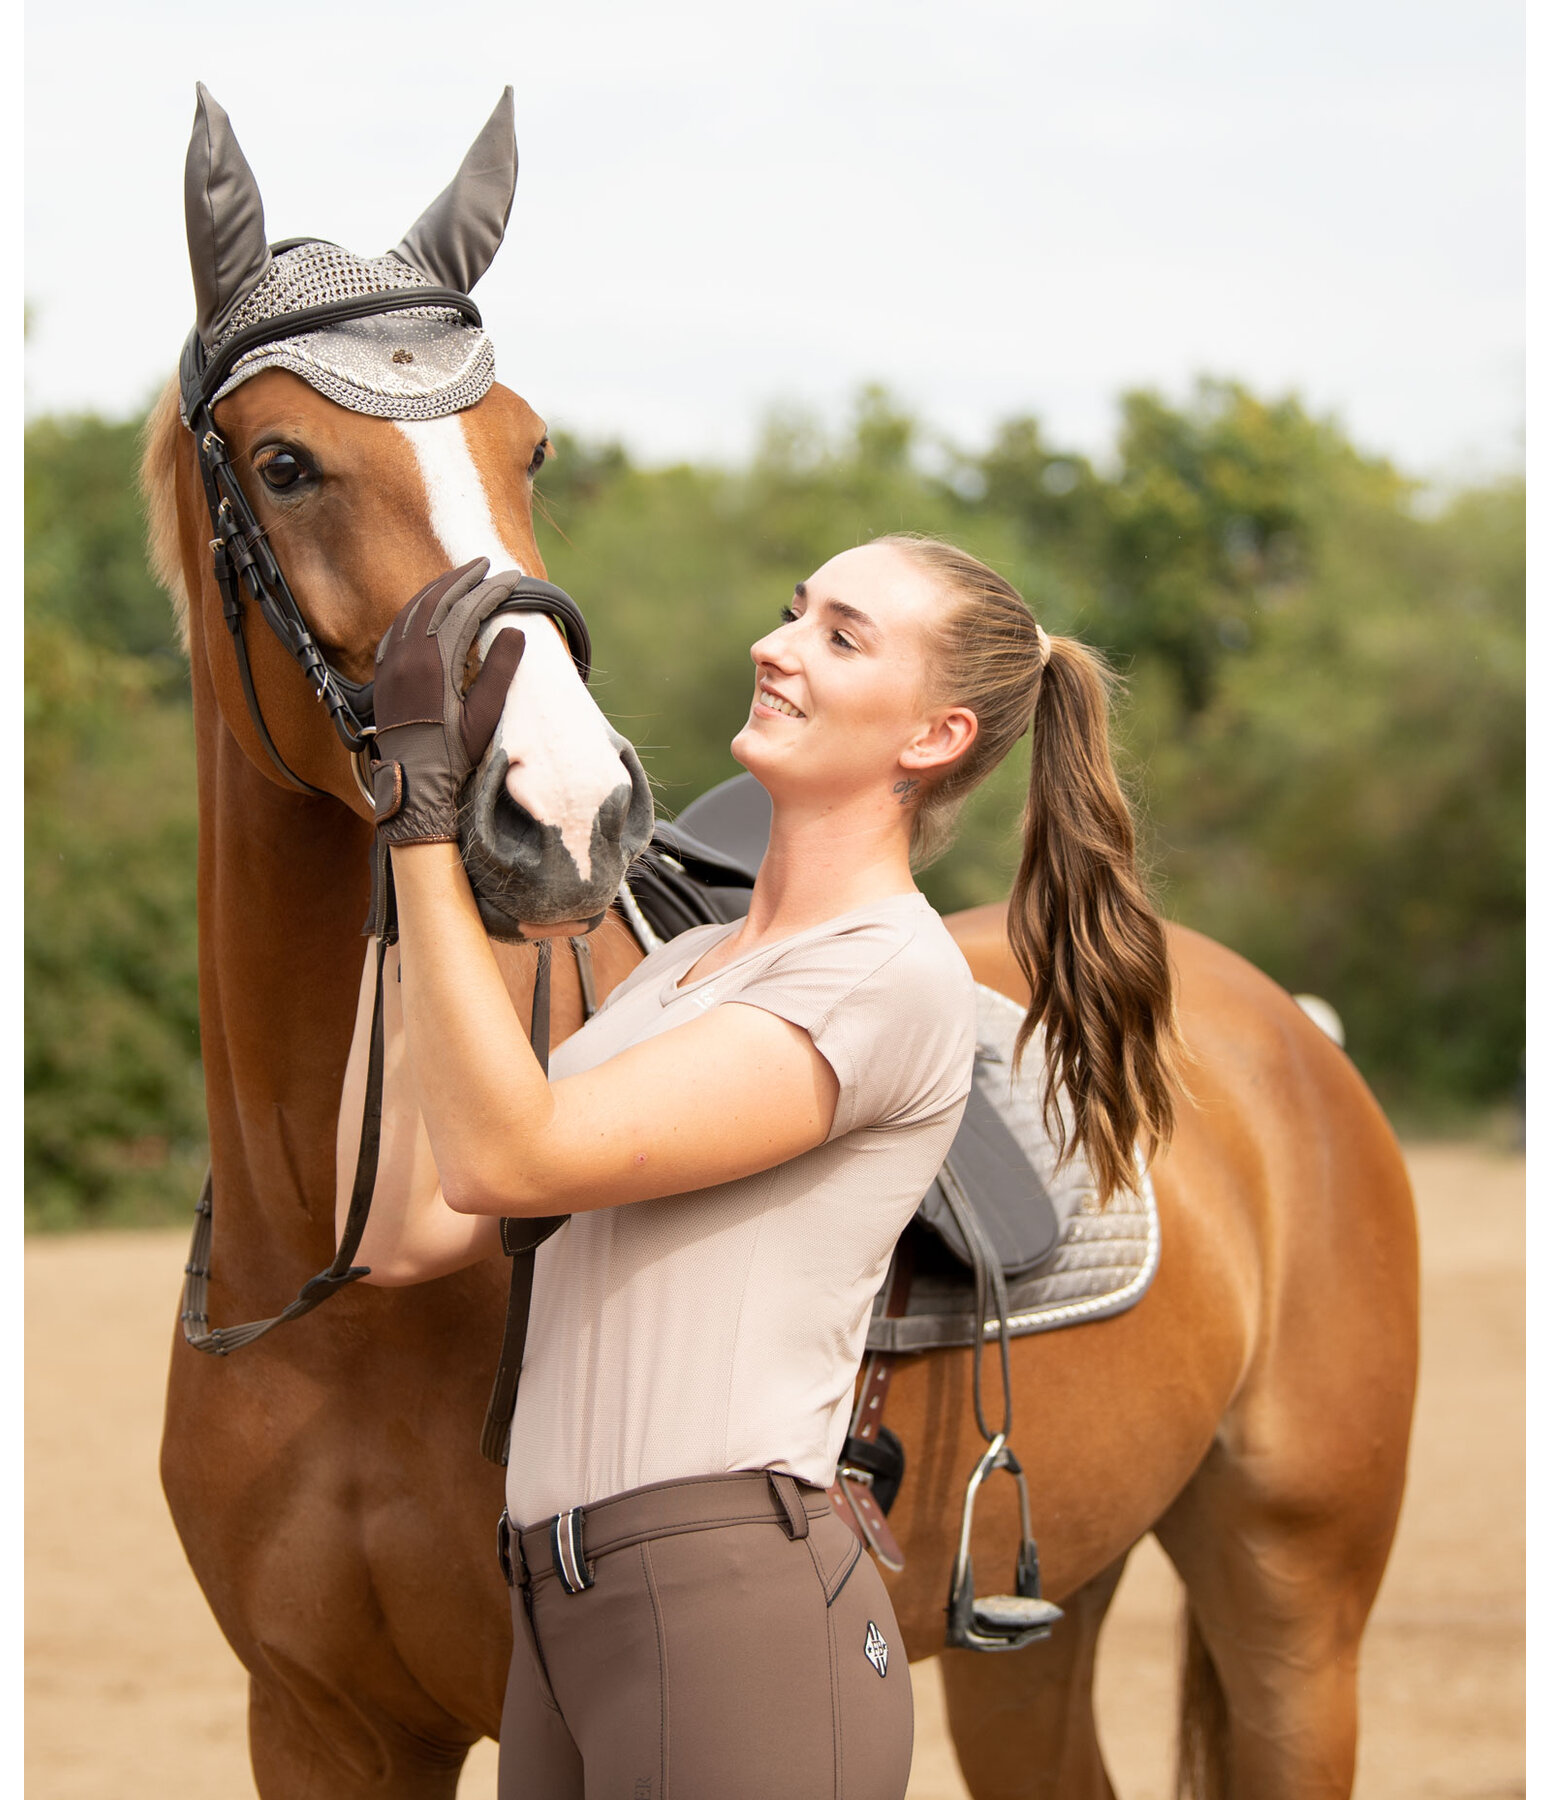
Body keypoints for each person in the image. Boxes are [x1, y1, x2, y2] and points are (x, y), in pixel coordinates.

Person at [336, 533, 1182, 1800]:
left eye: (839, 636)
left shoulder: (886, 972)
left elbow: (515, 1153)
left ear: (933, 738)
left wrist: (417, 834)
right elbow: (400, 1227)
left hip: (727, 1604)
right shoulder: (681, 973)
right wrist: (397, 877)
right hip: (555, 1605)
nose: (774, 647)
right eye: (793, 613)